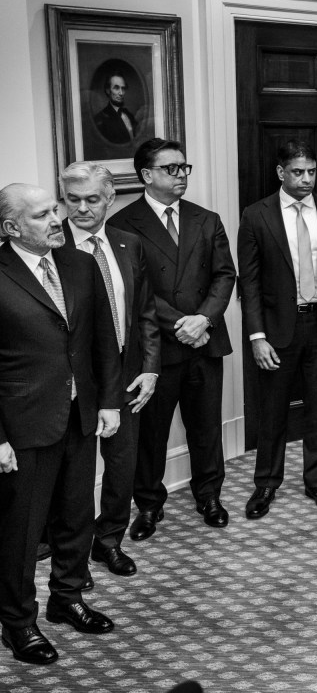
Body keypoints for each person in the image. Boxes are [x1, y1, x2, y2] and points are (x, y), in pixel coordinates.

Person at [0, 183, 122, 665]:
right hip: (22, 424)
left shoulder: (77, 263)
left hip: (80, 414)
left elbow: (102, 339)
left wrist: (109, 401)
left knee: (76, 516)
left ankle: (67, 599)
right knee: (22, 531)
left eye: (56, 209)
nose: (58, 219)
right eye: (42, 215)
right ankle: (18, 623)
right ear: (12, 228)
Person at [108, 138, 237, 537]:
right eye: (171, 169)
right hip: (156, 348)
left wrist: (203, 319)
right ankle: (148, 505)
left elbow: (224, 275)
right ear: (147, 175)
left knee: (206, 427)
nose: (181, 175)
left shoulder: (206, 218)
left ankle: (209, 495)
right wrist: (183, 323)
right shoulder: (122, 224)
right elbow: (135, 290)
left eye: (184, 168)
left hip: (205, 341)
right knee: (152, 432)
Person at [238, 141, 317, 519]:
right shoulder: (256, 216)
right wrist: (256, 336)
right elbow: (250, 283)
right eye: (298, 172)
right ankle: (266, 485)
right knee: (272, 411)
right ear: (281, 173)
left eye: (311, 172)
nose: (306, 179)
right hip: (276, 331)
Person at [59, 162, 160, 580]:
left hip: (127, 374)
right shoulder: (52, 245)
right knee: (75, 478)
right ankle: (72, 555)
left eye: (91, 199)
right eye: (72, 199)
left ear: (110, 199)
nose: (81, 208)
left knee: (122, 469)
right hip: (74, 383)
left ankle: (109, 542)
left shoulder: (127, 243)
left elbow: (146, 313)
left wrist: (151, 368)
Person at [92, 73, 139, 145]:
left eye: (123, 88)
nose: (121, 93)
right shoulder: (100, 119)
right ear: (108, 90)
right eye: (116, 88)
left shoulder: (129, 115)